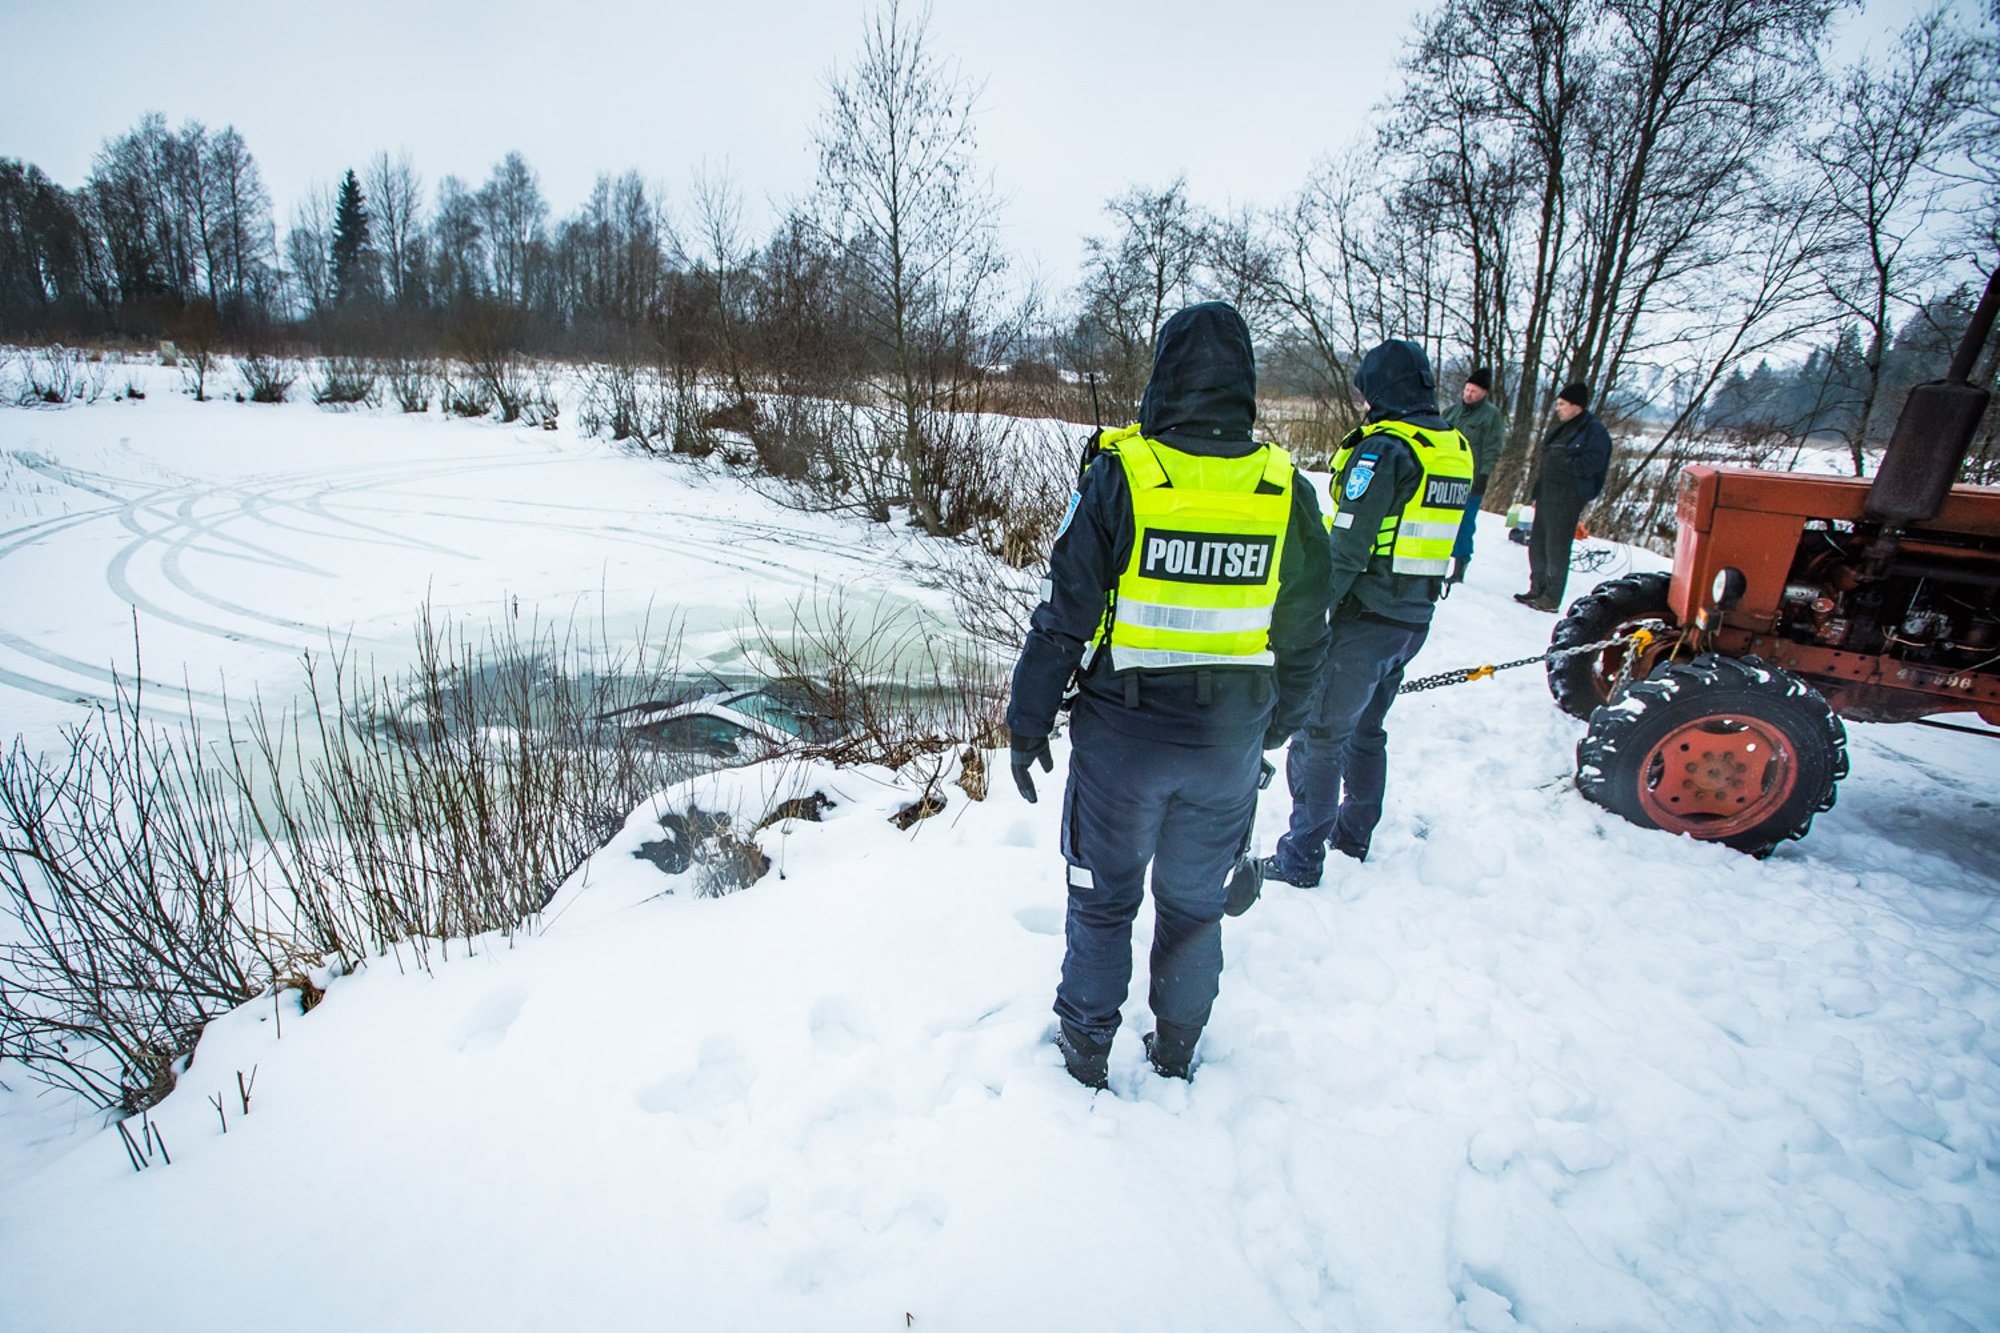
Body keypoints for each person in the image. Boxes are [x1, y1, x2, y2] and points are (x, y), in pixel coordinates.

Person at [1006, 301, 1332, 1090]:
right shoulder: (1281, 488)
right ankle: (1177, 1049)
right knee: (1194, 908)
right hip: (1225, 746)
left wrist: (1027, 720)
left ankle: (1084, 1052)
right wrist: (1273, 729)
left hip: (1124, 740)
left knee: (1102, 901)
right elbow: (1306, 632)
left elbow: (1065, 618)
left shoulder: (1127, 473)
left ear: (1164, 375)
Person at [1262, 339, 1474, 887]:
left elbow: (1348, 550)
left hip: (1366, 619)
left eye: (1364, 393)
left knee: (1320, 734)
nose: (1361, 405)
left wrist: (1305, 619)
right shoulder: (1450, 447)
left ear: (1379, 391)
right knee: (1367, 731)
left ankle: (1301, 857)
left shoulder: (1385, 450)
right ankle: (1353, 838)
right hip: (1414, 618)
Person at [1516, 380, 1613, 612]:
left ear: (1576, 405)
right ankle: (1536, 588)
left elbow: (1594, 463)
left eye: (1562, 404)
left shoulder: (1593, 431)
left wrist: (1567, 465)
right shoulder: (1562, 428)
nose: (1557, 408)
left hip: (1568, 497)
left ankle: (1551, 597)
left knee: (1556, 548)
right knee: (1537, 544)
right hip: (1547, 495)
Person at [1445, 367, 1505, 584]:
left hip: (1472, 478)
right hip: (1446, 475)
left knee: (1464, 523)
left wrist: (1484, 474)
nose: (1469, 394)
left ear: (1484, 393)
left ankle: (1460, 566)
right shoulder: (1452, 411)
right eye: (1467, 390)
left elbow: (1493, 447)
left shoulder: (1491, 416)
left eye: (1474, 391)